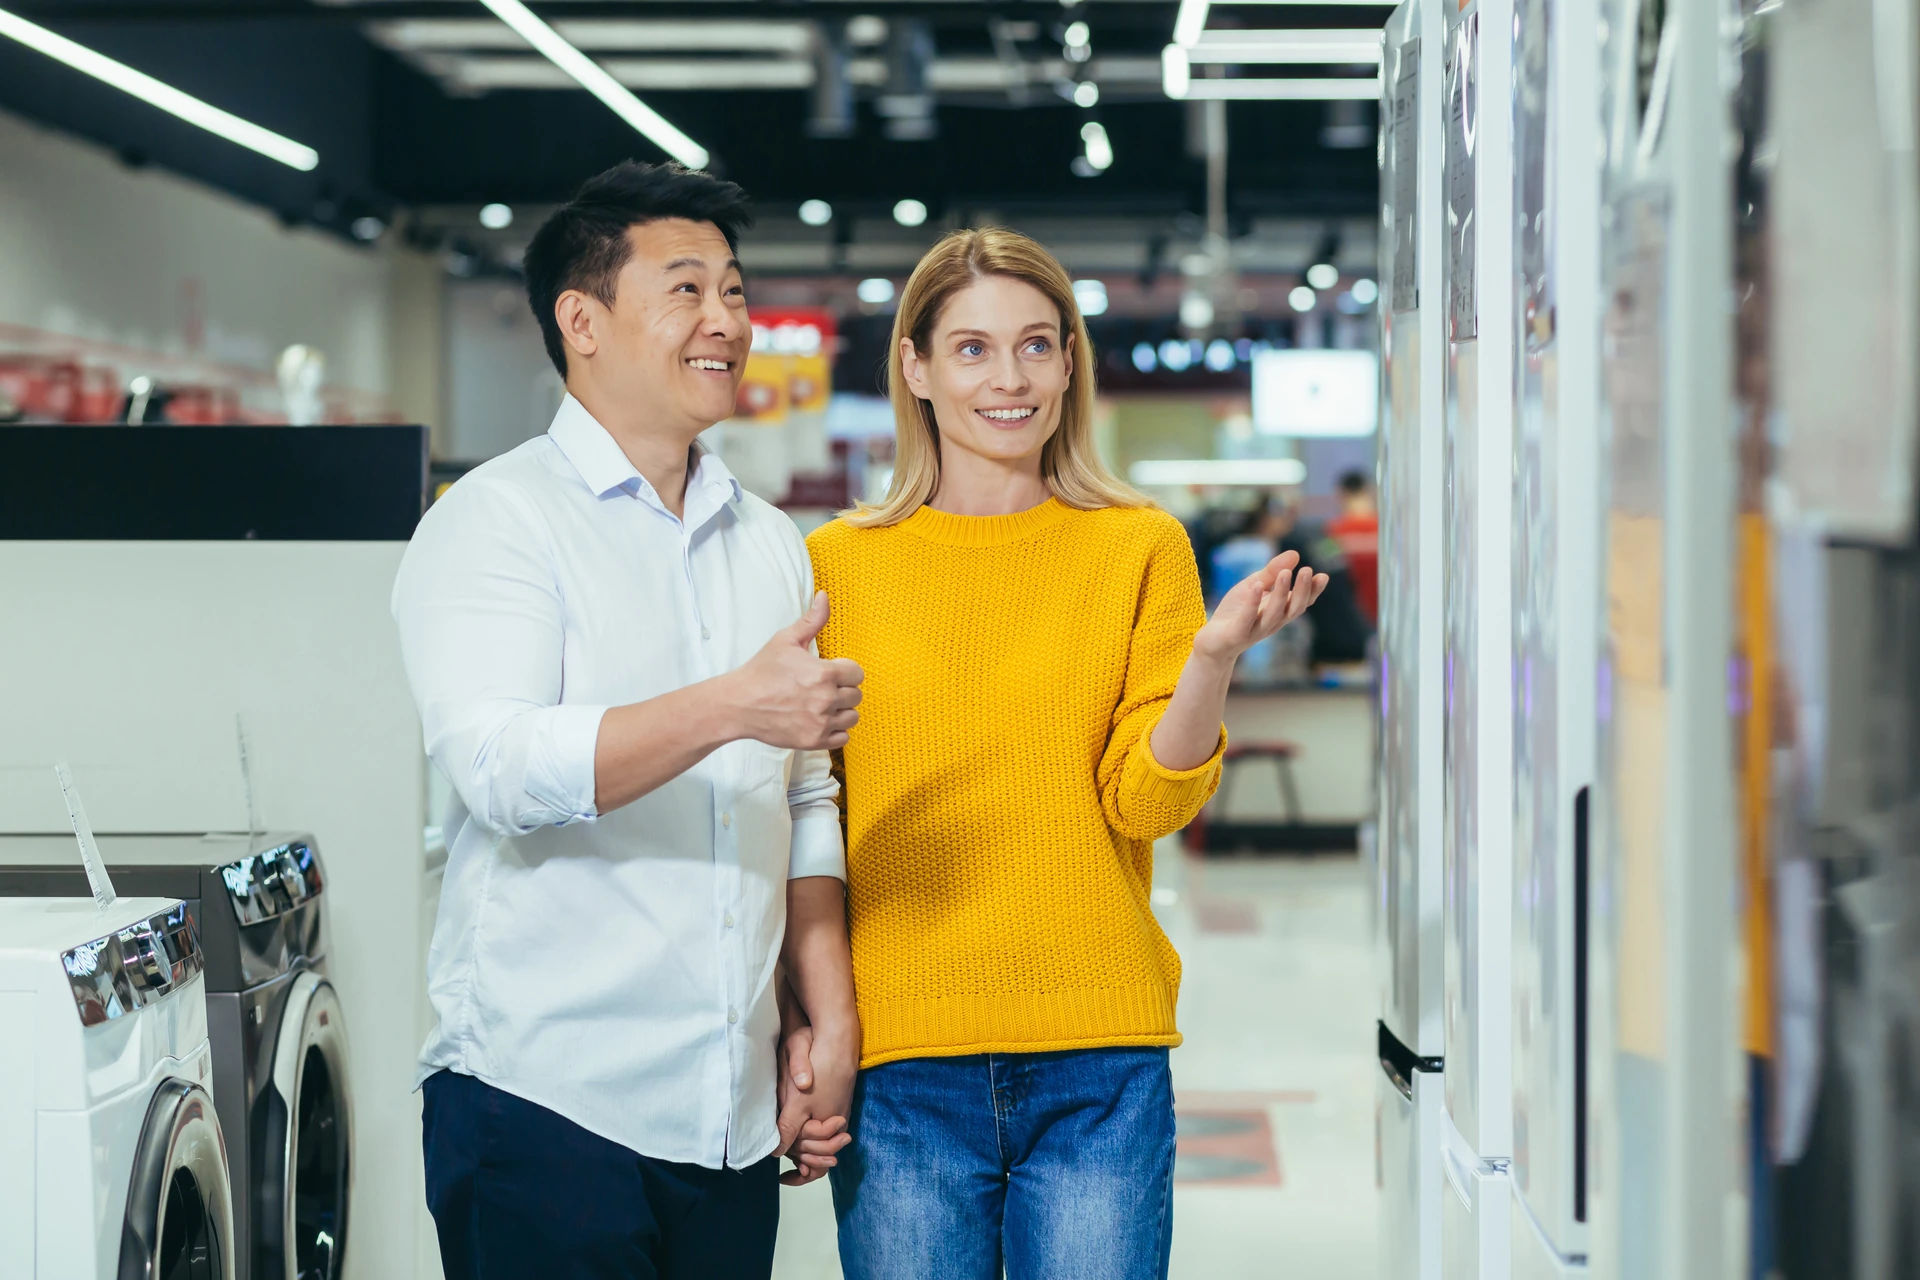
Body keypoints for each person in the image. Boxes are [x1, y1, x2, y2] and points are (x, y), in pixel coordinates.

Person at [787, 228, 1327, 1280]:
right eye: (975, 349)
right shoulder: (830, 566)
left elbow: (1144, 800)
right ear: (916, 366)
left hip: (1098, 1054)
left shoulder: (1137, 545)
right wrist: (805, 1026)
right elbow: (807, 814)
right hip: (903, 1058)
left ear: (1070, 362)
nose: (1011, 377)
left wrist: (1212, 657)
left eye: (1038, 345)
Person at [390, 160, 863, 1280]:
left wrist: (822, 1015)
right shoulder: (497, 523)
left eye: (737, 291)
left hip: (730, 1114)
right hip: (545, 1102)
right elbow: (500, 769)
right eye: (688, 289)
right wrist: (734, 703)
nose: (727, 322)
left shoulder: (766, 540)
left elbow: (803, 792)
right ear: (582, 319)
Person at [1326, 468, 1379, 625]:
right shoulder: (1384, 530)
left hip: (1347, 619)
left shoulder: (1333, 531)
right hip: (1381, 612)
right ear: (1368, 490)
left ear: (1341, 493)